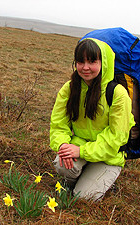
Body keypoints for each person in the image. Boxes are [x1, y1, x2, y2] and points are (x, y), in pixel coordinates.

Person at [50, 38, 135, 201]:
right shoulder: (69, 88)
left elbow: (117, 138)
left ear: (104, 62)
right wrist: (63, 145)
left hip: (108, 155)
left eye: (92, 61)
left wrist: (81, 152)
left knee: (84, 197)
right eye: (80, 61)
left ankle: (96, 179)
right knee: (63, 165)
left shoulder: (117, 93)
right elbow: (58, 125)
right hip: (80, 145)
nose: (85, 67)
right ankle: (76, 179)